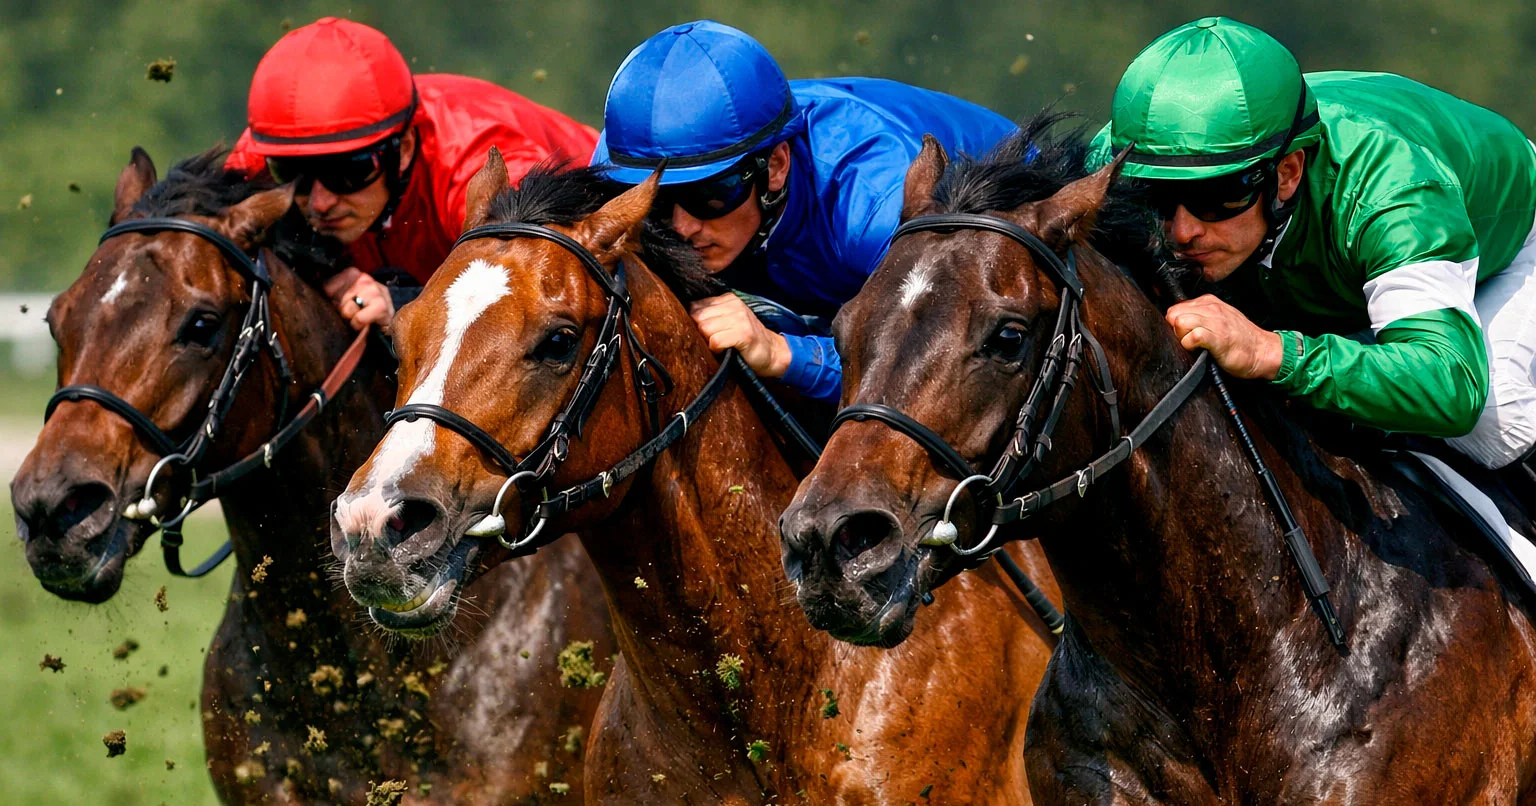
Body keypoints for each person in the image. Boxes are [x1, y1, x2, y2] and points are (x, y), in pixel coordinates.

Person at [1090, 16, 1536, 471]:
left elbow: (1450, 384)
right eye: (1157, 196)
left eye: (1216, 196)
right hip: (1334, 261)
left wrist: (1270, 351)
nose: (1182, 232)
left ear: (1287, 173)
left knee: (1494, 424)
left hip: (1506, 245)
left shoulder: (1390, 192)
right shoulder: (1126, 154)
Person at [590, 20, 1017, 403]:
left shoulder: (871, 203)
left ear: (775, 166)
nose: (682, 226)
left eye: (710, 195)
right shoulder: (619, 170)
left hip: (998, 247)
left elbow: (930, 357)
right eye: (658, 202)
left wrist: (782, 352)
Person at [226, 17, 598, 331]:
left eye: (348, 172)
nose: (319, 202)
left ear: (402, 150)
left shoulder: (475, 168)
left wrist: (405, 302)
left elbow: (533, 298)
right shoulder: (268, 149)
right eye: (293, 174)